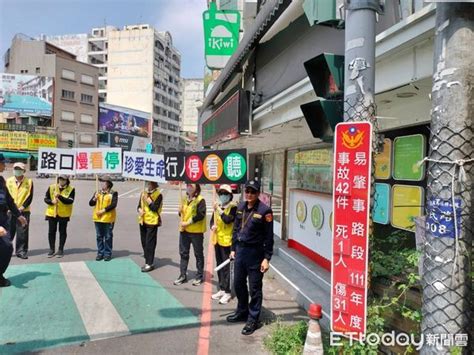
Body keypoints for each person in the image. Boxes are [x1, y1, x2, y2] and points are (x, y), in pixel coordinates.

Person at [227, 179, 274, 335]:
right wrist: (233, 248)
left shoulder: (265, 211)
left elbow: (269, 237)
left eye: (253, 192)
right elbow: (235, 229)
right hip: (240, 251)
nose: (249, 194)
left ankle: (253, 319)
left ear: (258, 193)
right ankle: (242, 311)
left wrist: (267, 258)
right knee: (238, 283)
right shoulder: (240, 207)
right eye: (247, 191)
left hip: (255, 253)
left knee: (254, 288)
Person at [0, 153, 27, 287]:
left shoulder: (1, 180)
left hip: (3, 220)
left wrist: (19, 215)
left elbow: (9, 201)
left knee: (6, 247)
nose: (5, 165)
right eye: (3, 163)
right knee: (7, 247)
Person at [174, 183, 206, 286]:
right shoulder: (183, 198)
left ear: (197, 187)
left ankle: (199, 276)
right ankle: (182, 275)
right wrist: (179, 211)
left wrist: (188, 222)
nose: (189, 187)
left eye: (191, 185)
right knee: (183, 253)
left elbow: (201, 215)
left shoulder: (200, 200)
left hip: (196, 232)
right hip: (184, 231)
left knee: (198, 254)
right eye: (187, 185)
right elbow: (183, 213)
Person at [210, 184, 237, 304]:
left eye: (225, 194)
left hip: (228, 242)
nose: (222, 196)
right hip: (217, 240)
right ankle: (221, 288)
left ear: (230, 195)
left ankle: (227, 292)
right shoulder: (218, 206)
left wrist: (219, 210)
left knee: (227, 269)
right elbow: (212, 221)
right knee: (220, 265)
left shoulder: (233, 207)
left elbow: (228, 219)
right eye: (220, 193)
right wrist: (212, 226)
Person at [6, 162, 33, 259]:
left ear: (23, 171)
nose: (17, 171)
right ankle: (5, 250)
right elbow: (6, 196)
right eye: (15, 168)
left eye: (19, 169)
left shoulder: (29, 182)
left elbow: (30, 196)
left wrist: (22, 207)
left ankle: (21, 251)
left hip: (23, 211)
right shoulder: (8, 181)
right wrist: (10, 208)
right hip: (10, 211)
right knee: (8, 232)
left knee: (22, 233)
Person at [44, 174, 75, 258]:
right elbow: (46, 198)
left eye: (63, 180)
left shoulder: (71, 189)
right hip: (52, 213)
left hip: (64, 214)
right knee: (51, 231)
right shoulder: (52, 187)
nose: (61, 181)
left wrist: (59, 196)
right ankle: (51, 249)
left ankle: (60, 249)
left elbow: (70, 201)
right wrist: (51, 202)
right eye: (60, 179)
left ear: (67, 181)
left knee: (62, 232)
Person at [89, 175, 118, 261]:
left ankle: (107, 253)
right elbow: (91, 203)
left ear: (108, 184)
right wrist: (94, 198)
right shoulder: (97, 192)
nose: (102, 183)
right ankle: (100, 253)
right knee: (99, 236)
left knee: (108, 236)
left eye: (104, 182)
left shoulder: (113, 193)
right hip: (97, 218)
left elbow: (113, 204)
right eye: (101, 182)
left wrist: (103, 211)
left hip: (108, 218)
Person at [137, 181, 163, 272]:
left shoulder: (158, 195)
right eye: (147, 183)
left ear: (155, 185)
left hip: (152, 222)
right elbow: (138, 206)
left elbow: (155, 208)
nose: (148, 185)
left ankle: (149, 263)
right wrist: (140, 210)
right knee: (144, 242)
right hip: (142, 220)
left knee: (150, 243)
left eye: (150, 184)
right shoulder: (143, 193)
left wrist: (148, 200)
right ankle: (148, 258)